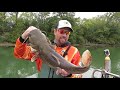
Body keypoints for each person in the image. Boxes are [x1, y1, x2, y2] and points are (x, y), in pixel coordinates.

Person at [14, 20, 83, 78]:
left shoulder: (74, 51)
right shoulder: (40, 47)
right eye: (61, 31)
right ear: (55, 31)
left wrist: (70, 74)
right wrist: (24, 36)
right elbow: (19, 54)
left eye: (67, 33)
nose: (64, 35)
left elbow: (79, 74)